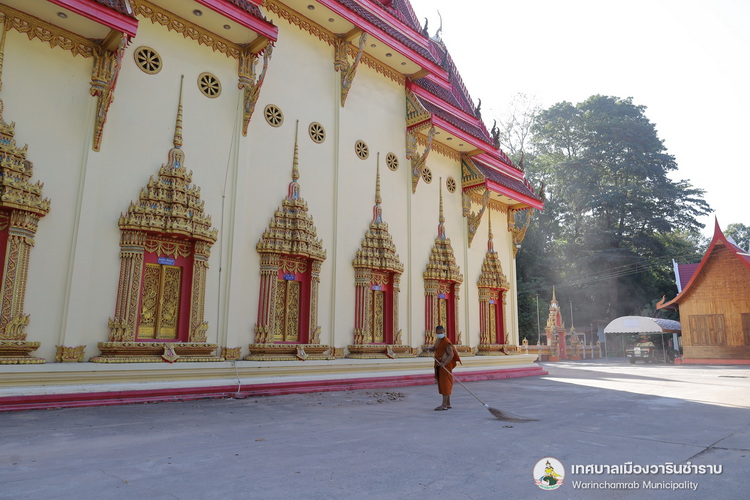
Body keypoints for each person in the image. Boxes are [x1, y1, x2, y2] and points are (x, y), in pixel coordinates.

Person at [426, 325, 461, 411]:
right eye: (438, 333)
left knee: (445, 384)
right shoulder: (438, 340)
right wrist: (428, 349)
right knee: (443, 384)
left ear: (444, 332)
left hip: (445, 366)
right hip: (440, 365)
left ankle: (444, 405)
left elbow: (451, 354)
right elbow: (434, 348)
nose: (439, 334)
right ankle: (448, 404)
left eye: (441, 332)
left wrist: (444, 363)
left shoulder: (446, 341)